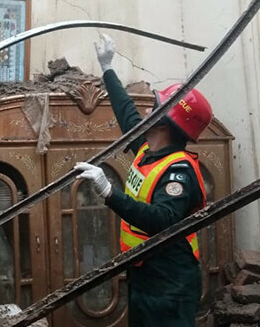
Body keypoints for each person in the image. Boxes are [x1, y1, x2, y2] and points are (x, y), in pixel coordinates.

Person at [73, 34, 213, 327]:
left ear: (164, 121)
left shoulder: (179, 171)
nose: (147, 110)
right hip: (143, 271)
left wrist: (109, 193)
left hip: (170, 282)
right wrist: (108, 68)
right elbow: (127, 115)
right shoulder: (150, 150)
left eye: (154, 106)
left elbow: (162, 220)